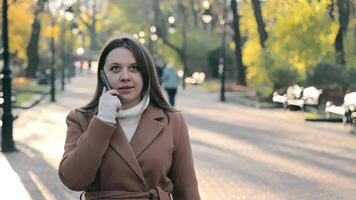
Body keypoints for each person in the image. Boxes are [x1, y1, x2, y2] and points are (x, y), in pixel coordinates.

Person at [58, 36, 201, 200]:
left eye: (134, 68)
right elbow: (73, 179)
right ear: (103, 75)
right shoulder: (81, 119)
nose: (125, 77)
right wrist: (103, 120)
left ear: (146, 74)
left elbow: (187, 189)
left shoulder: (172, 121)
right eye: (115, 69)